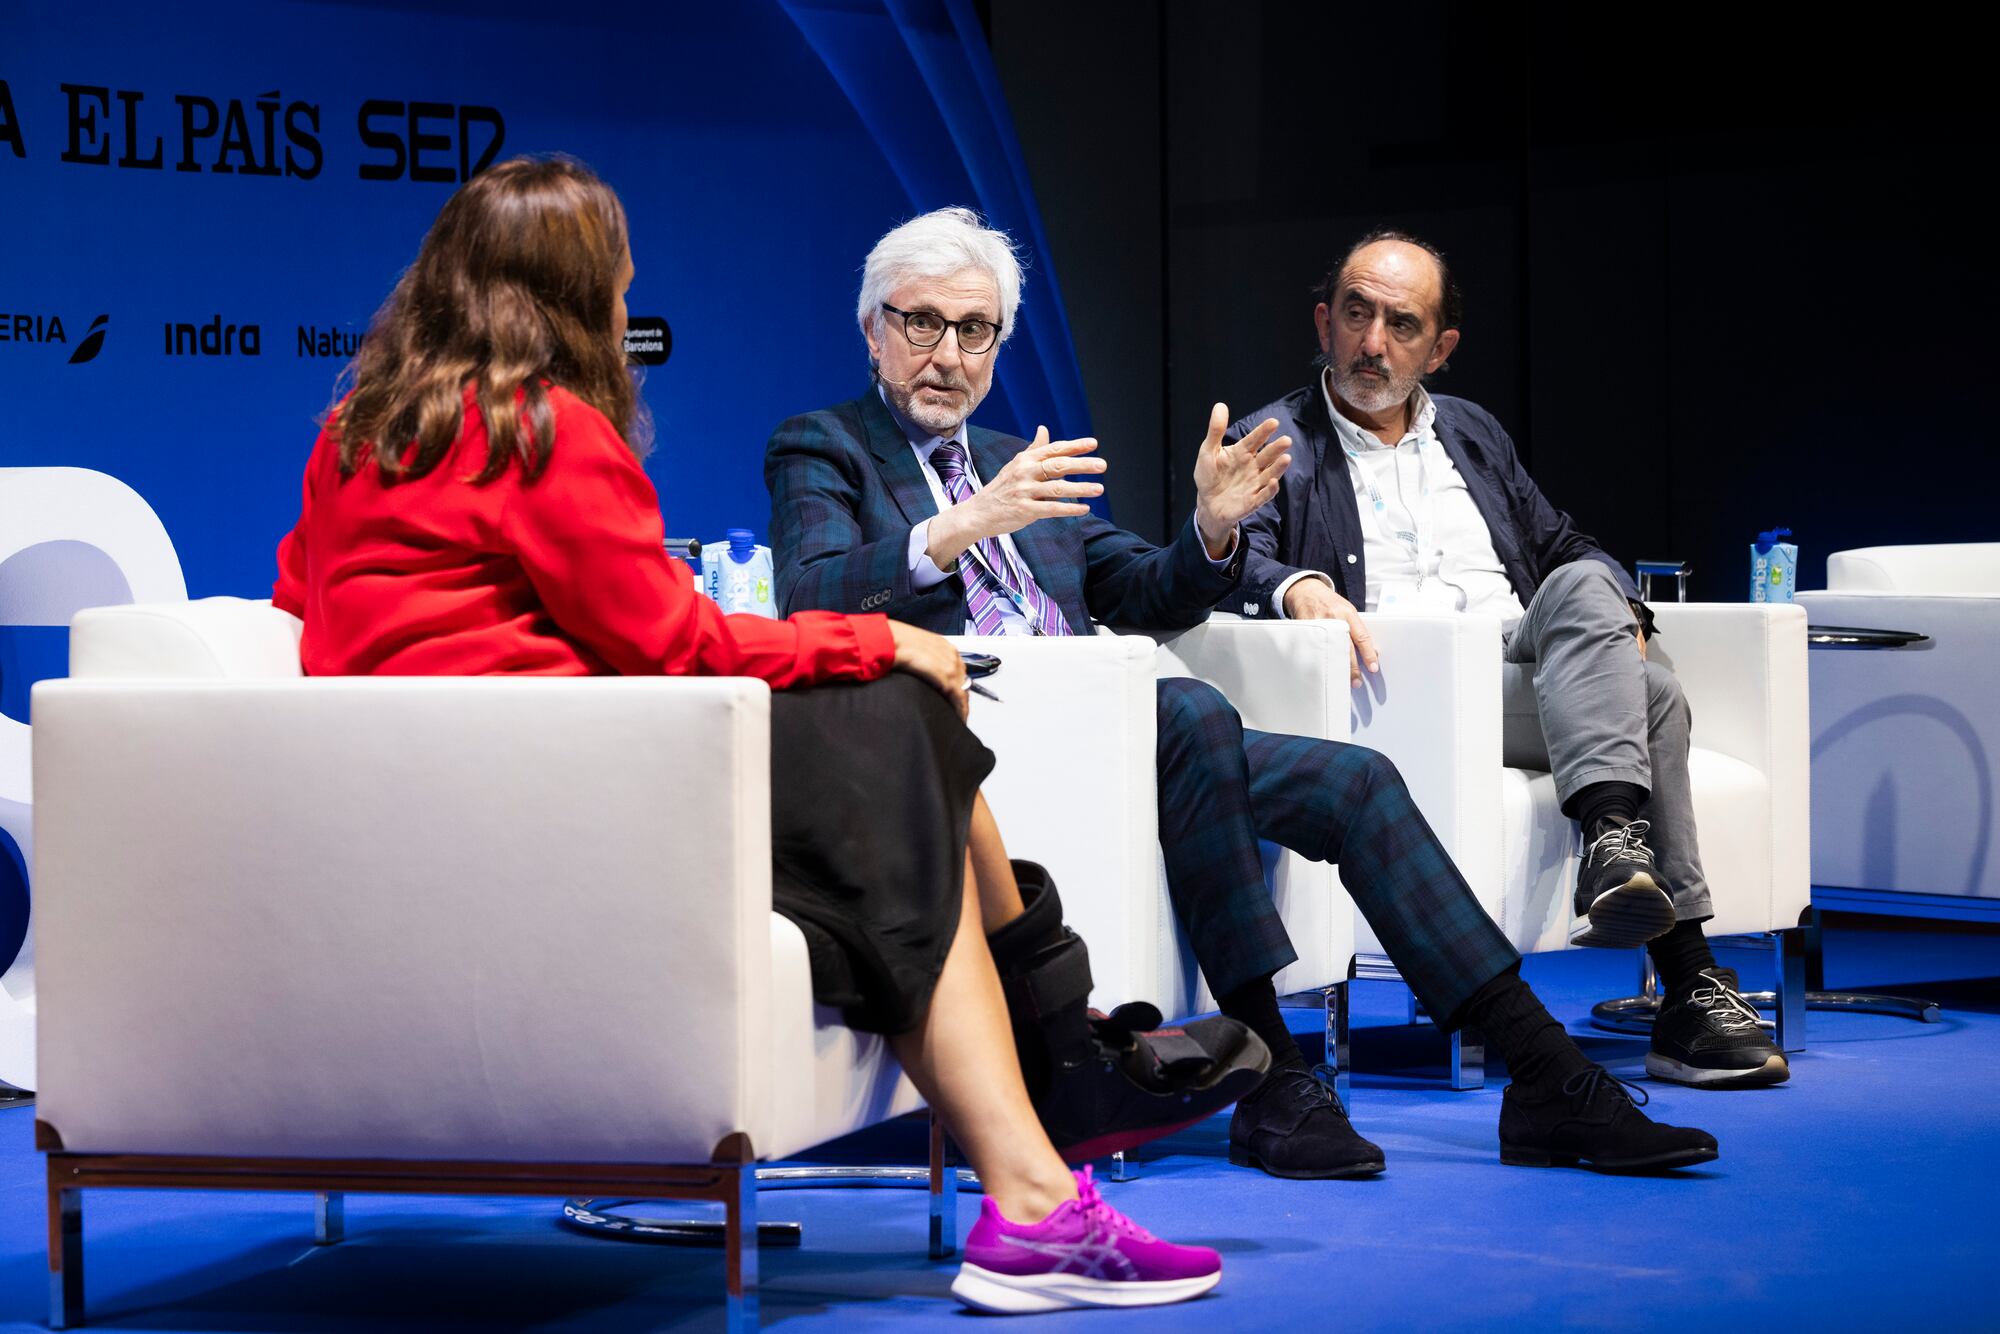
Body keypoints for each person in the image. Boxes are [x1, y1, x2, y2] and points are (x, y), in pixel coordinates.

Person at [270, 156, 1230, 1315]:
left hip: (441, 790)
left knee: (905, 750)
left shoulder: (357, 431)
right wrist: (872, 642)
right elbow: (673, 645)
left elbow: (302, 598)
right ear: (574, 298)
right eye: (619, 285)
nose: (629, 310)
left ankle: (1045, 1135)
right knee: (902, 727)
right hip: (574, 783)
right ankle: (1042, 1149)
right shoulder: (549, 432)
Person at [766, 205, 1722, 1179]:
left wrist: (1213, 531)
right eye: (921, 322)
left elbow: (1147, 589)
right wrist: (961, 524)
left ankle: (1544, 1074)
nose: (947, 353)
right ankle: (1269, 1076)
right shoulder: (825, 447)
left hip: (1104, 735)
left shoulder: (1019, 457)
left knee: (1353, 780)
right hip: (967, 754)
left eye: (975, 331)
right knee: (1183, 709)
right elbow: (813, 592)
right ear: (872, 328)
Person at [1227, 229, 1787, 1088]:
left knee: (1592, 593)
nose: (1374, 344)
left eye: (1402, 325)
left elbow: (1566, 545)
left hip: (1524, 665)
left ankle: (1624, 860)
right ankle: (1683, 977)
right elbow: (1235, 559)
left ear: (1440, 349)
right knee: (1655, 696)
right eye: (1356, 315)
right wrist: (1295, 582)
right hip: (1410, 686)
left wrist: (1617, 608)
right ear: (1323, 322)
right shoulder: (1281, 439)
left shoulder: (1474, 434)